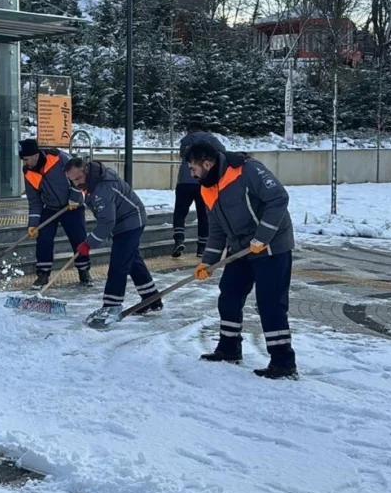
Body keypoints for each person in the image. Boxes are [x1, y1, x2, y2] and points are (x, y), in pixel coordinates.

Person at [186, 141, 298, 380]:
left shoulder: (247, 170)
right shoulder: (207, 187)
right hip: (241, 248)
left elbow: (278, 198)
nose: (191, 173)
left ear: (207, 163)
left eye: (193, 168)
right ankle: (229, 348)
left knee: (270, 303)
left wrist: (263, 236)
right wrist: (208, 261)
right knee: (229, 294)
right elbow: (216, 228)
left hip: (271, 246)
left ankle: (283, 362)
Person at [64, 158, 161, 326]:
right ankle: (151, 299)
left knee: (119, 263)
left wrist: (88, 243)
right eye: (73, 181)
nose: (77, 183)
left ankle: (112, 305)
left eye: (79, 179)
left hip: (131, 221)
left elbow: (107, 221)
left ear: (86, 170)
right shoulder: (92, 180)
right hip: (122, 223)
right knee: (132, 261)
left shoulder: (103, 186)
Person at [19, 139, 91, 289]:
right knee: (43, 239)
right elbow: (35, 201)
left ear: (34, 155)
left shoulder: (57, 157)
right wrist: (33, 224)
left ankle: (84, 272)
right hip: (50, 207)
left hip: (72, 207)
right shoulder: (28, 172)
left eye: (26, 159)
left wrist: (75, 197)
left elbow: (78, 176)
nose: (25, 163)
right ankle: (43, 275)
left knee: (78, 239)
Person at [172, 120, 227, 258]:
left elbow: (183, 156)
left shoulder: (185, 142)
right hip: (203, 180)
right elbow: (223, 152)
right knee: (203, 213)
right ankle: (202, 247)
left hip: (184, 181)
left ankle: (178, 239)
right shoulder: (210, 139)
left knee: (180, 211)